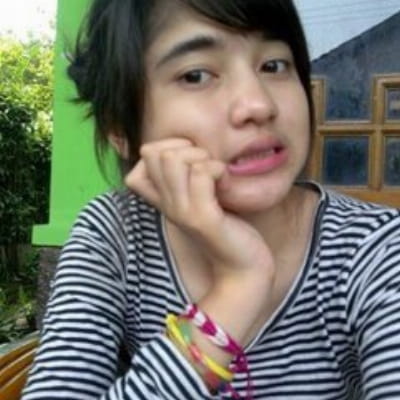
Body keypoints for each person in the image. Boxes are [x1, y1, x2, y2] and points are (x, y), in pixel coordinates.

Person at [22, 0, 400, 399]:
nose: (258, 105)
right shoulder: (116, 235)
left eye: (274, 65)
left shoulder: (376, 248)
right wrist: (239, 285)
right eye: (196, 75)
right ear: (121, 130)